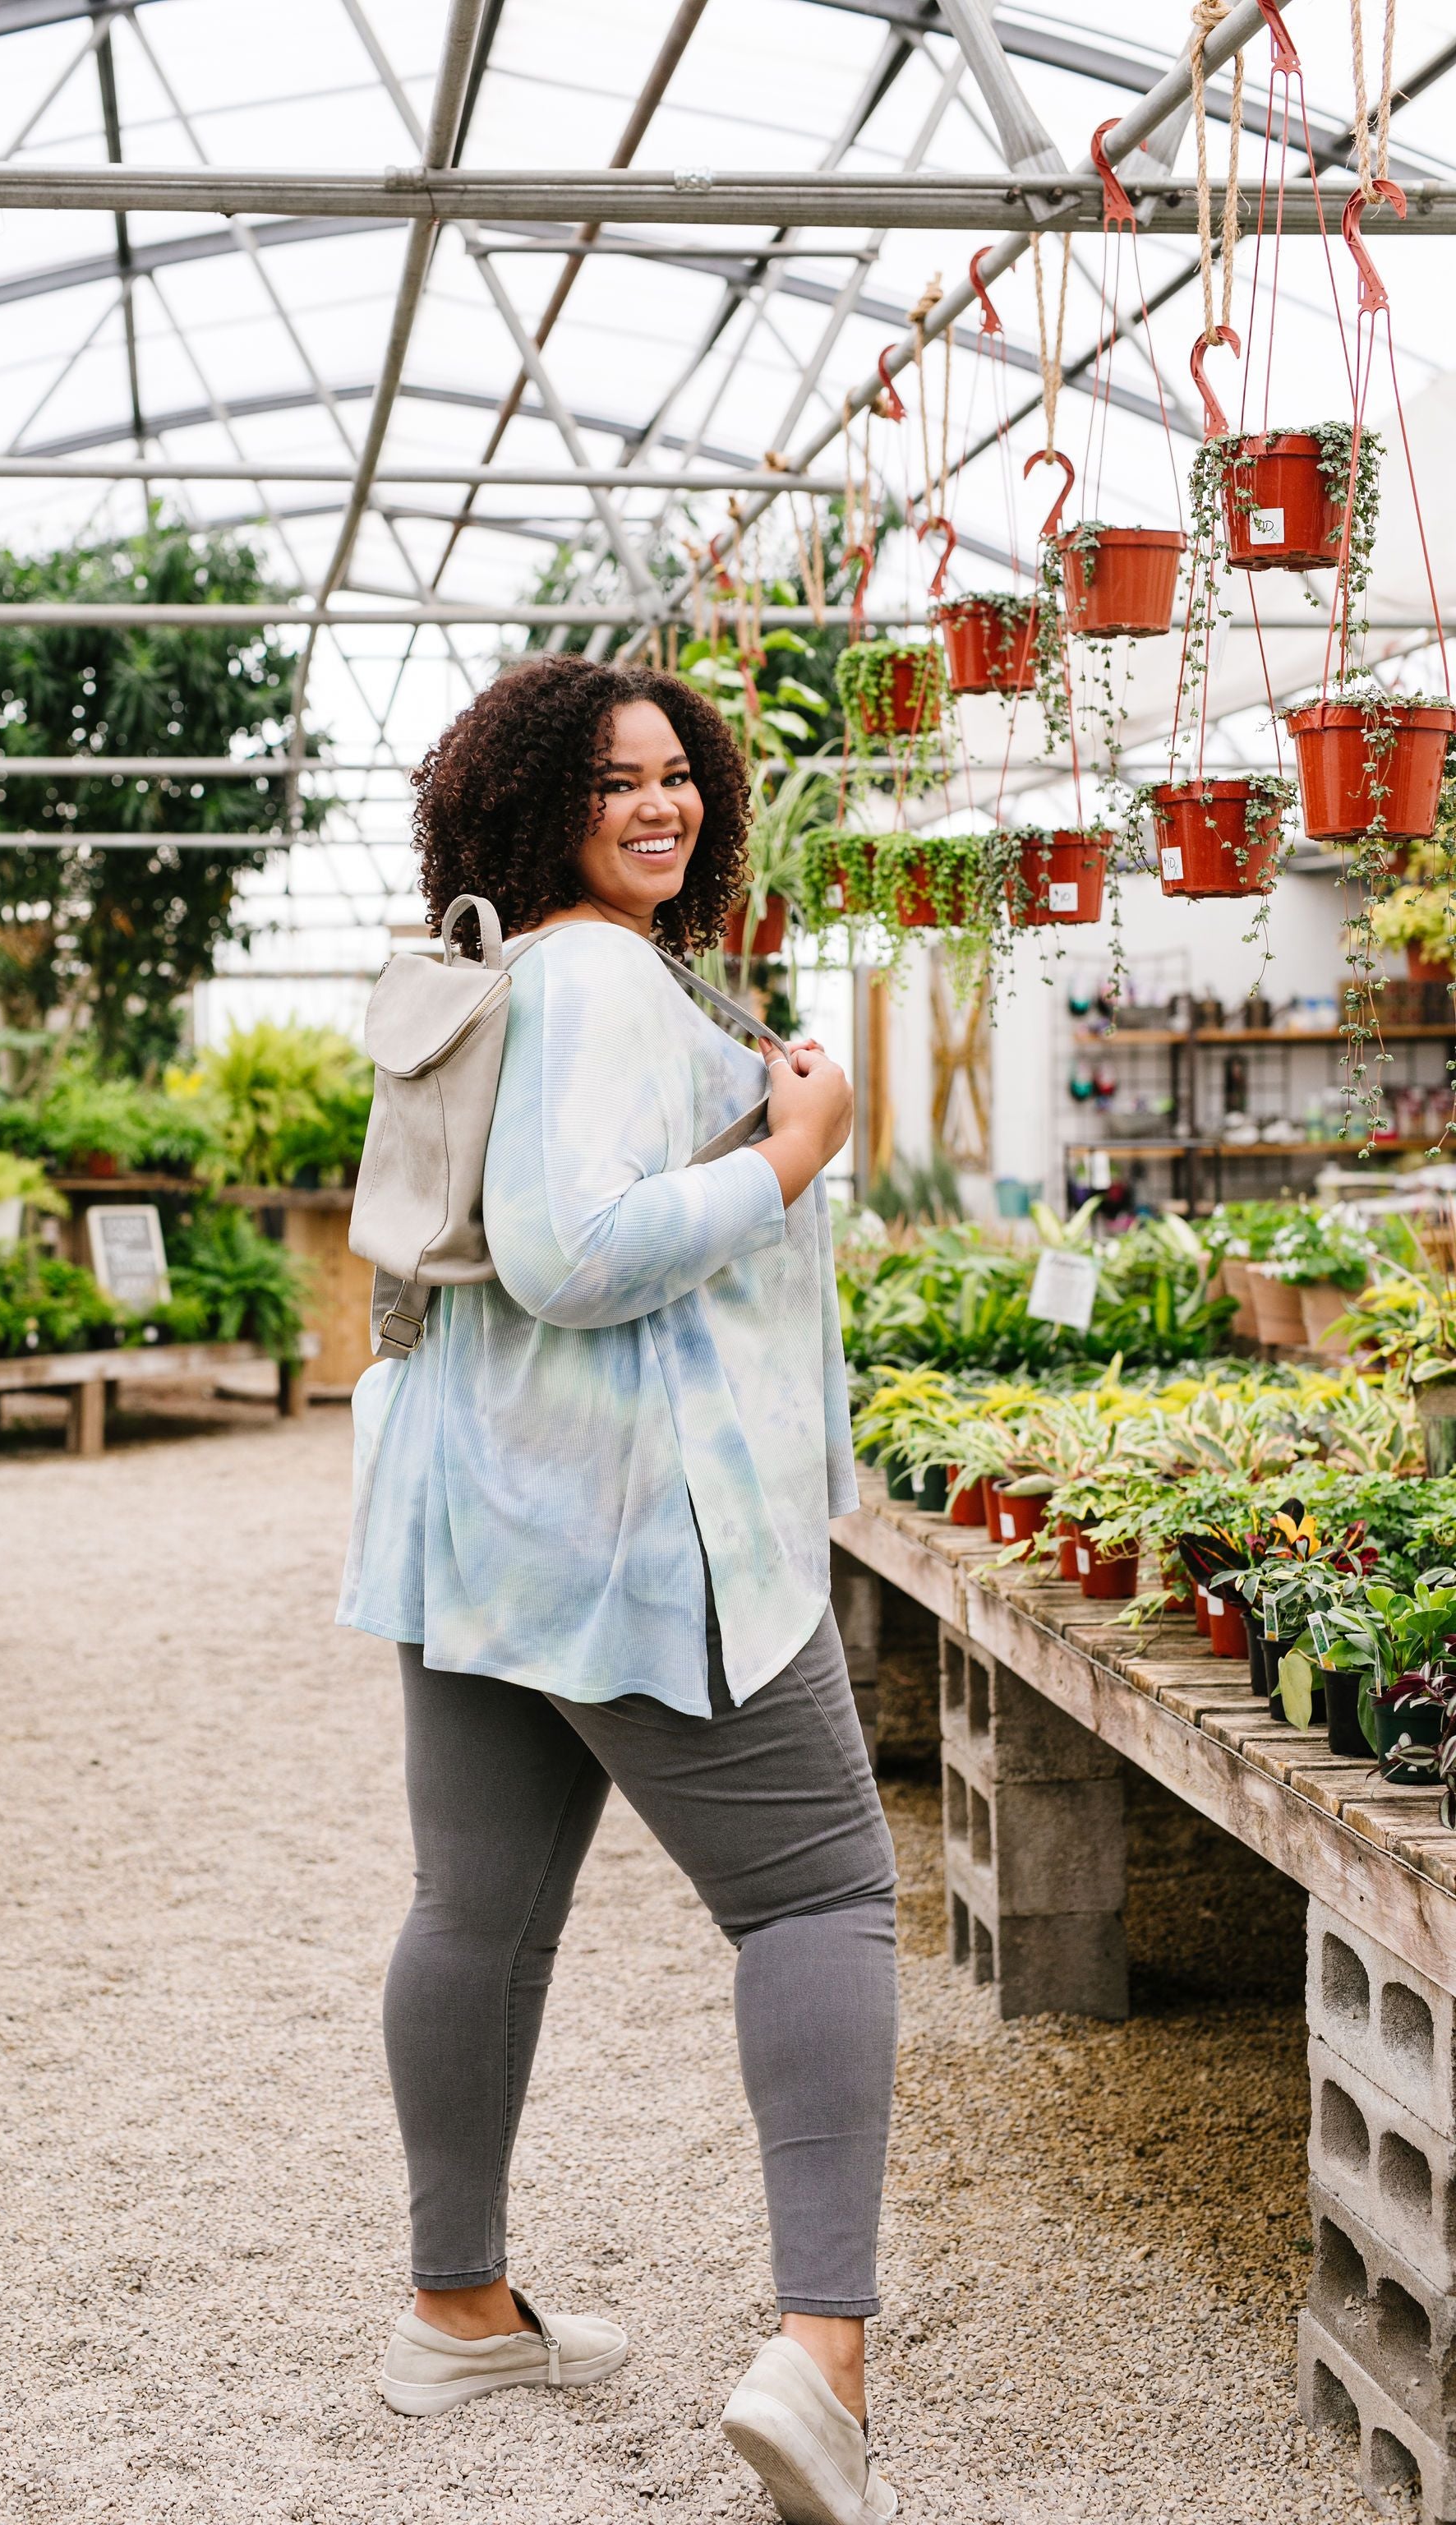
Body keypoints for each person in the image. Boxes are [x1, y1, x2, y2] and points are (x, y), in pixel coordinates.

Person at [339, 653, 899, 2525]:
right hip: (630, 1522)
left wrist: (744, 1127)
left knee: (477, 1910)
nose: (658, 805)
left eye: (677, 776)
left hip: (483, 1515)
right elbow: (580, 1256)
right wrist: (792, 1159)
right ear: (534, 802)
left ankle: (457, 2304)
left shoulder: (529, 964)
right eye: (612, 781)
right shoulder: (586, 973)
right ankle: (820, 2361)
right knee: (821, 1890)